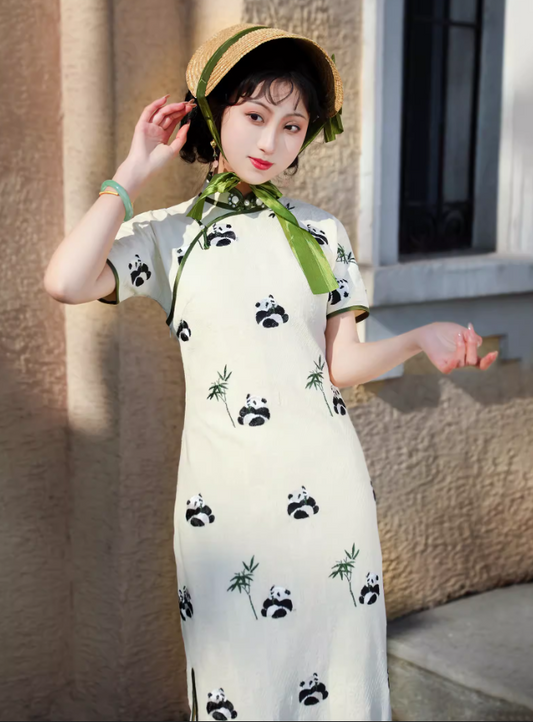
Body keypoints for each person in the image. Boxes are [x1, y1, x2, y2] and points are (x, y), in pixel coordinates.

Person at [44, 23, 498, 722]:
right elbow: (66, 281)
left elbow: (340, 366)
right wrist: (130, 174)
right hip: (227, 504)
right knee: (240, 685)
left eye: (292, 126)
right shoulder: (171, 235)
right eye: (254, 116)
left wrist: (417, 339)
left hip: (329, 495)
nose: (271, 142)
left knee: (340, 681)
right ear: (214, 115)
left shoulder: (322, 233)